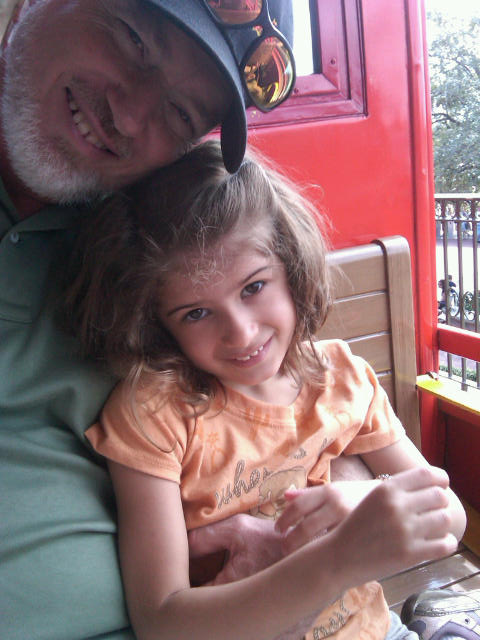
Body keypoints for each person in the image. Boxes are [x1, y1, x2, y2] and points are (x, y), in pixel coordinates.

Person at [67, 140, 466, 640]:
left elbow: (450, 517)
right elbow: (161, 620)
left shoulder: (340, 376)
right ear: (157, 323)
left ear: (291, 265)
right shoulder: (154, 415)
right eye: (196, 313)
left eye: (253, 287)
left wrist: (363, 497)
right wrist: (337, 557)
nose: (241, 333)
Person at [0, 2, 298, 638]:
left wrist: (327, 507)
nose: (130, 115)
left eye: (180, 114)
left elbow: (299, 398)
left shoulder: (152, 252)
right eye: (133, 40)